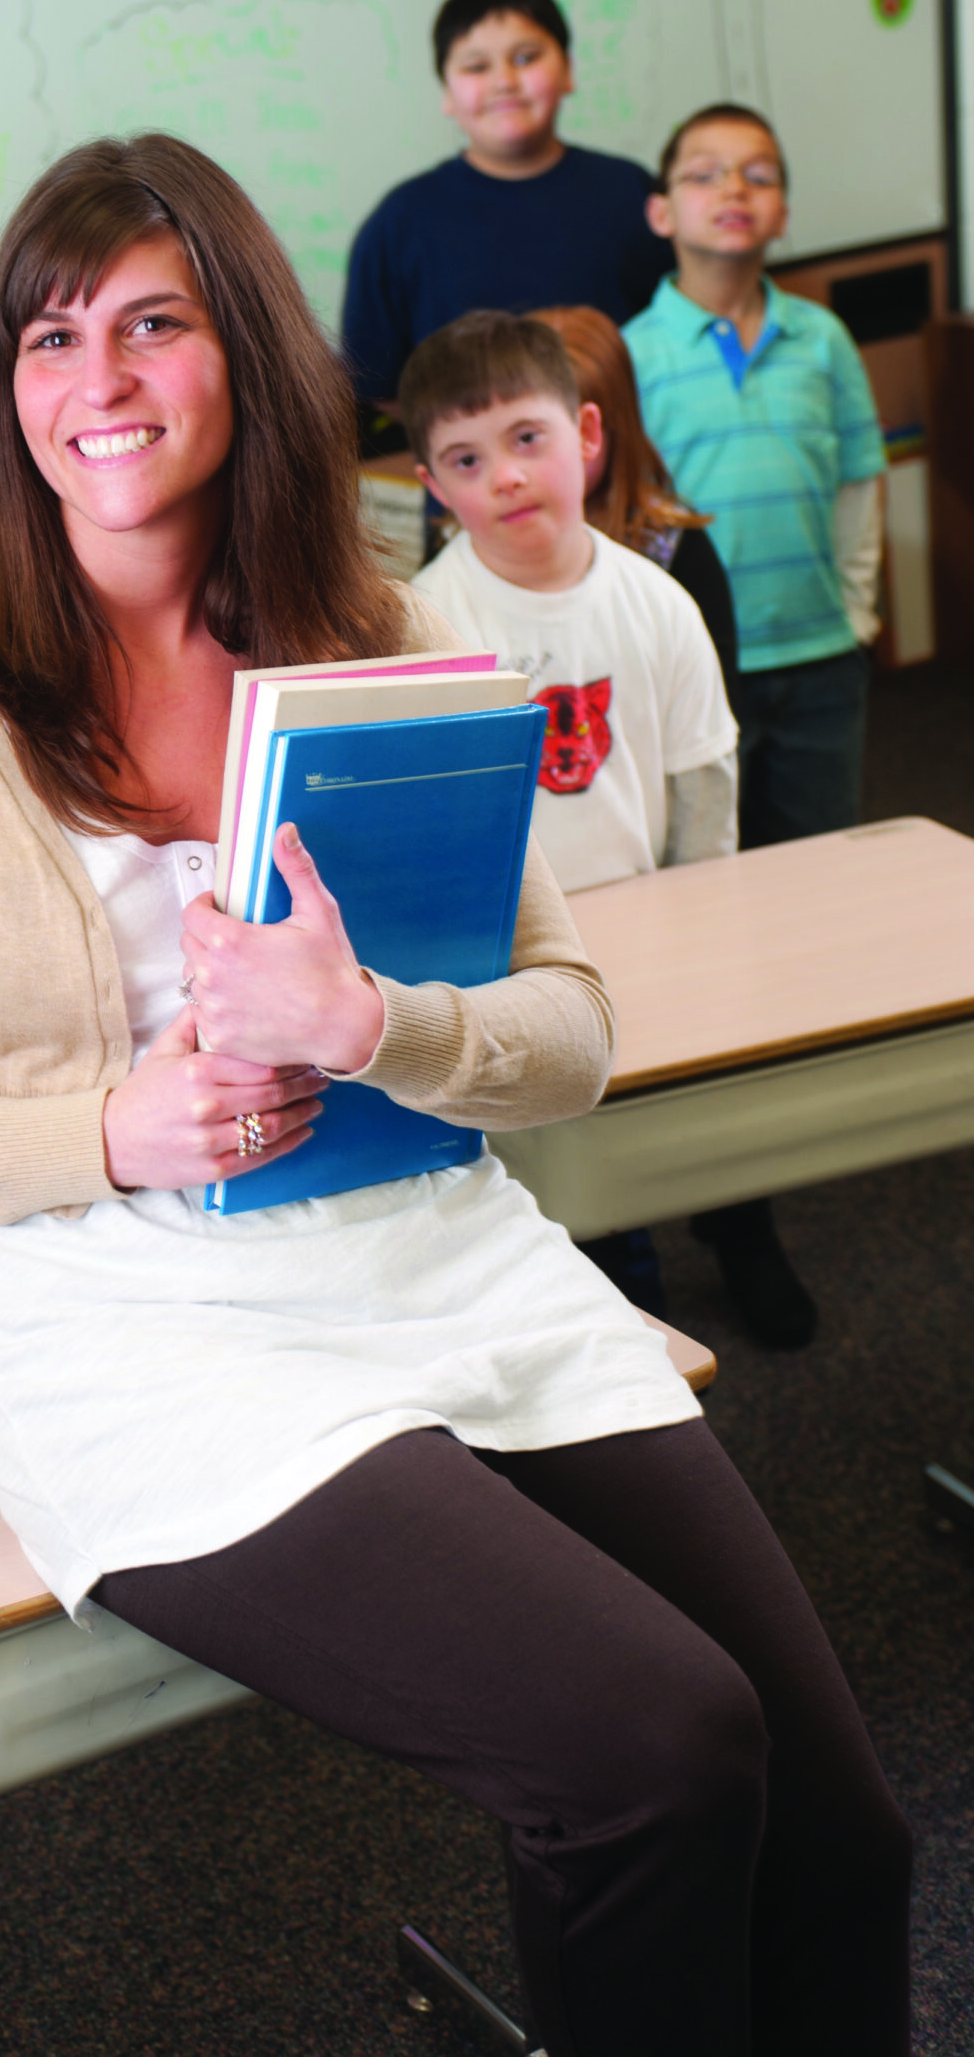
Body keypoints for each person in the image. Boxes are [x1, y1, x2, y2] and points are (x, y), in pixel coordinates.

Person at [0, 134, 908, 2057]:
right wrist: (105, 1124)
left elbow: (567, 1029)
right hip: (121, 1310)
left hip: (425, 1251)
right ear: (2, 377)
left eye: (151, 321)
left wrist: (375, 1022)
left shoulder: (360, 626)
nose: (93, 373)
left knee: (841, 1828)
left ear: (243, 351)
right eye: (45, 332)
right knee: (655, 1744)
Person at [406, 311, 737, 1324]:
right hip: (514, 962)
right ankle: (609, 1279)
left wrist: (705, 922)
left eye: (525, 438)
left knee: (687, 1120)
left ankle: (734, 1235)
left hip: (653, 922)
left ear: (585, 437)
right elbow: (437, 835)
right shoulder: (425, 628)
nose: (503, 476)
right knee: (563, 1189)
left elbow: (704, 790)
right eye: (465, 458)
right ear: (431, 486)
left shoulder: (655, 602)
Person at [625, 104, 887, 1346]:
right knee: (708, 931)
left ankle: (773, 1168)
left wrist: (855, 609)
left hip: (816, 663)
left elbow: (853, 479)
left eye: (759, 174)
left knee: (804, 920)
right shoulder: (631, 351)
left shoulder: (820, 336)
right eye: (703, 173)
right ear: (660, 211)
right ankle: (729, 1211)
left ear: (781, 207)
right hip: (703, 691)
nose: (734, 189)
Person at [340, 0, 672, 433]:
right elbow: (378, 382)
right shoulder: (399, 223)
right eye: (476, 67)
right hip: (473, 492)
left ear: (569, 70)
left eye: (526, 57)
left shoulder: (632, 192)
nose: (504, 81)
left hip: (627, 474)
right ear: (446, 94)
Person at [533, 302, 739, 704]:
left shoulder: (674, 544)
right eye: (531, 436)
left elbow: (716, 701)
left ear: (609, 426)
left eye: (576, 430)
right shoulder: (473, 541)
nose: (558, 458)